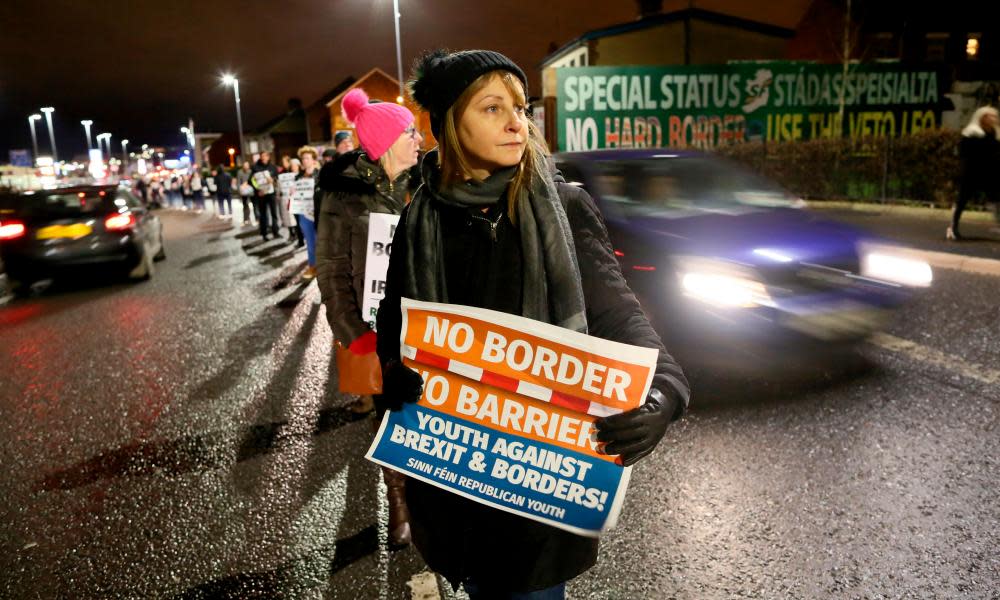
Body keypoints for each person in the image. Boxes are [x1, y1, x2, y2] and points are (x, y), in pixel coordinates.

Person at [375, 50, 689, 598]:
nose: (517, 122)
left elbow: (617, 309)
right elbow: (394, 322)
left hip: (536, 488)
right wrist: (394, 372)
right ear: (451, 121)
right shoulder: (417, 219)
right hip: (454, 480)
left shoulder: (562, 207)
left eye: (520, 108)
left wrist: (663, 393)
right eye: (493, 108)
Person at [316, 87, 423, 548]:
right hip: (377, 330)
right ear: (385, 140)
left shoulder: (428, 185)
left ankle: (436, 497)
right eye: (410, 131)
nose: (419, 139)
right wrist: (351, 334)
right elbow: (331, 269)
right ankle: (398, 502)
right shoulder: (344, 193)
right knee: (390, 416)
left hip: (428, 327)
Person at [948, 106, 1000, 240]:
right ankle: (952, 228)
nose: (993, 119)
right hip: (971, 173)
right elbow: (964, 153)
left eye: (994, 116)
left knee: (996, 200)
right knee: (962, 201)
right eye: (990, 116)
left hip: (989, 174)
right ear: (982, 118)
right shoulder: (971, 133)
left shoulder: (995, 134)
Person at [295, 146, 321, 279]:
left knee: (320, 242)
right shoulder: (298, 177)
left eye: (307, 158)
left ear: (313, 160)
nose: (304, 160)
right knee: (310, 242)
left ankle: (323, 267)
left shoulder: (320, 174)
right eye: (303, 158)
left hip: (318, 213)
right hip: (303, 214)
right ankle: (312, 266)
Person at [251, 152, 280, 240]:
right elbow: (252, 180)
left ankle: (275, 231)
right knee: (263, 214)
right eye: (261, 156)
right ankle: (264, 233)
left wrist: (273, 180)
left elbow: (277, 179)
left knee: (274, 213)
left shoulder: (273, 167)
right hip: (261, 194)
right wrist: (258, 190)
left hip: (271, 193)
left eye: (265, 156)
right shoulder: (255, 167)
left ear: (268, 157)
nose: (263, 158)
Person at [237, 160, 255, 225]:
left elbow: (254, 181)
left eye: (247, 165)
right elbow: (238, 182)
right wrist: (240, 190)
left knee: (253, 205)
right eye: (245, 166)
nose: (246, 167)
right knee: (245, 206)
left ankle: (255, 218)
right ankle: (246, 219)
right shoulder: (240, 172)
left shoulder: (251, 172)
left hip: (251, 191)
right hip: (243, 191)